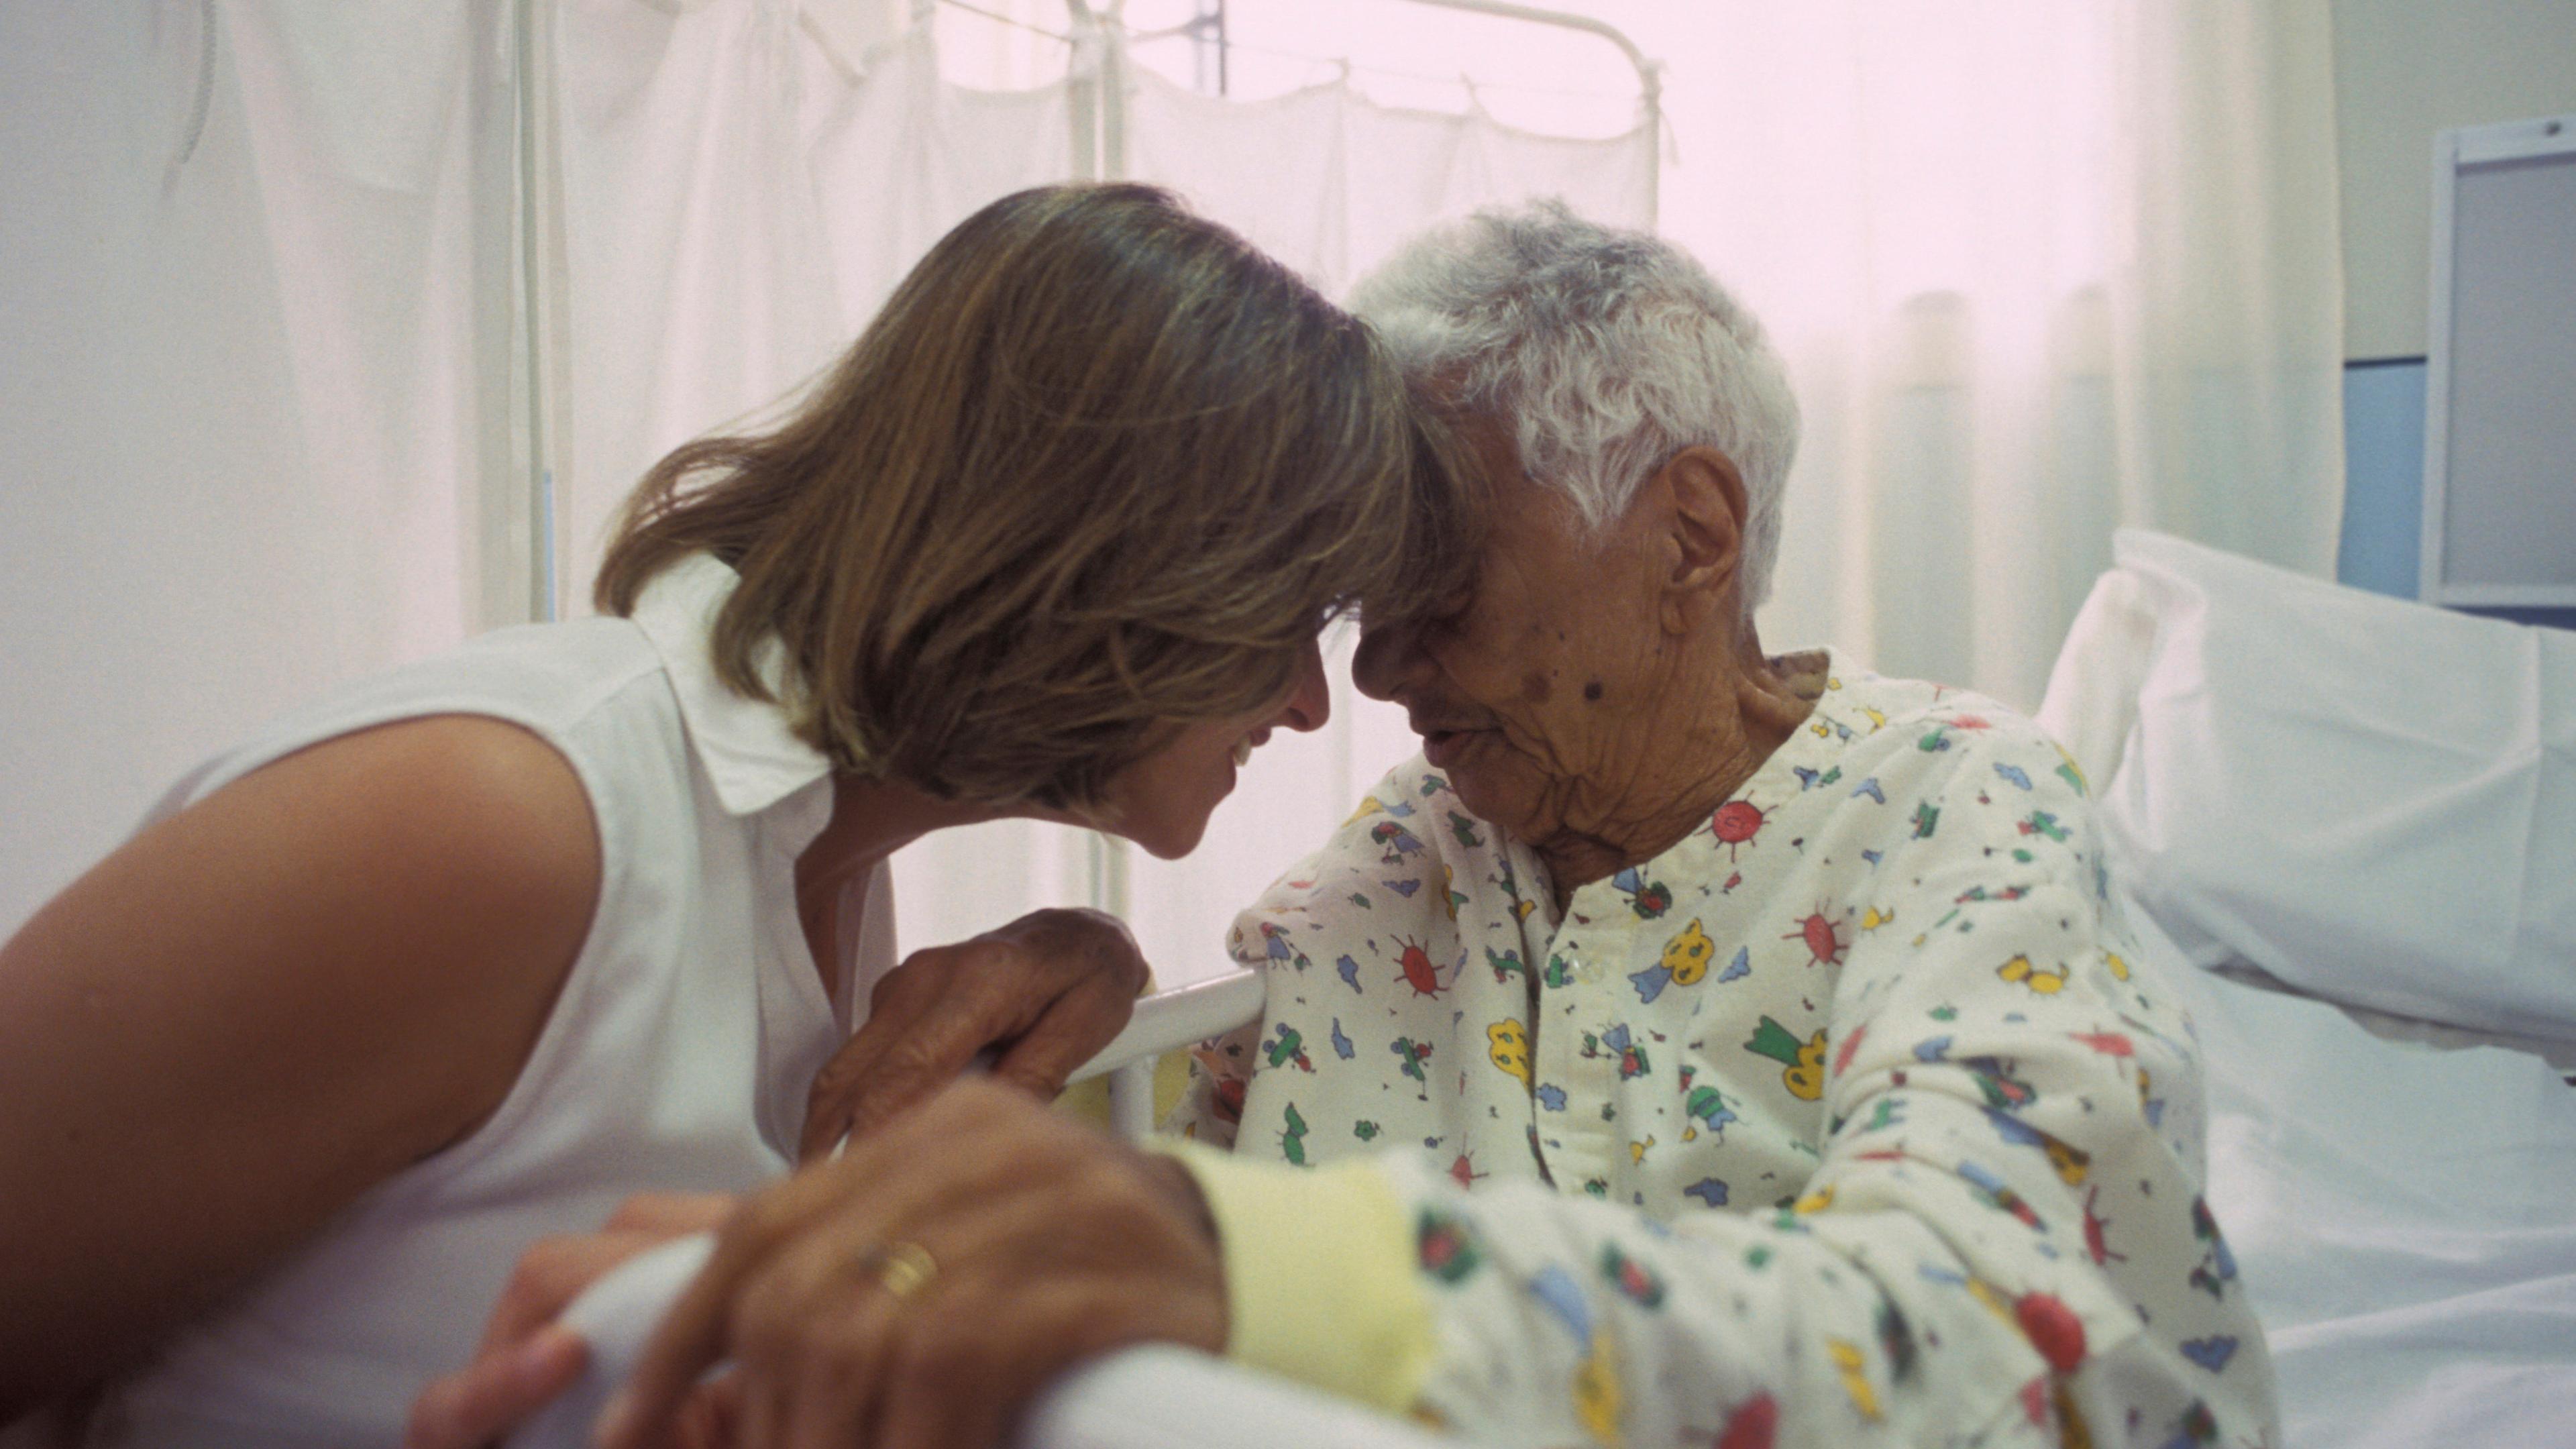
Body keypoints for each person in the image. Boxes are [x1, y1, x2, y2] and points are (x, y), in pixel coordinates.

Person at [508, 202, 2275, 1449]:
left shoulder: (1961, 809)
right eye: (1360, 609)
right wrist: (1086, 961)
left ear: (1689, 539)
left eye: (1438, 588)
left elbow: (1994, 1357)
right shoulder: (1405, 862)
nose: (1379, 677)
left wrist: (1235, 1258)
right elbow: (1192, 1191)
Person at [0, 182, 1474, 1446]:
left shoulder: (823, 851)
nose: (1304, 701)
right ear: (1124, 568)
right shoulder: (503, 821)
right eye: (1293, 616)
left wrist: (1089, 951)